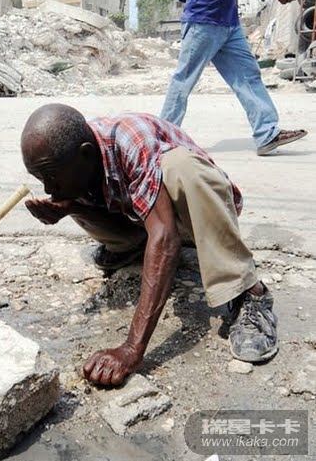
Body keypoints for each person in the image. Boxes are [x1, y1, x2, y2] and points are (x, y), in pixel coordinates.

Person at [21, 103, 277, 387]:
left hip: (195, 215)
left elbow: (165, 238)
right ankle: (131, 250)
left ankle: (249, 292)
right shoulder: (73, 153)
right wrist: (71, 208)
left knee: (180, 167)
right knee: (73, 194)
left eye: (51, 177)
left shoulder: (131, 140)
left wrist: (132, 348)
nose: (48, 188)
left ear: (86, 153)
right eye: (40, 179)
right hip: (144, 217)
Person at [160, 0, 307, 156]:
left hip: (226, 18)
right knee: (184, 79)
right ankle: (160, 140)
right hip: (205, 15)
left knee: (248, 75)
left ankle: (266, 132)